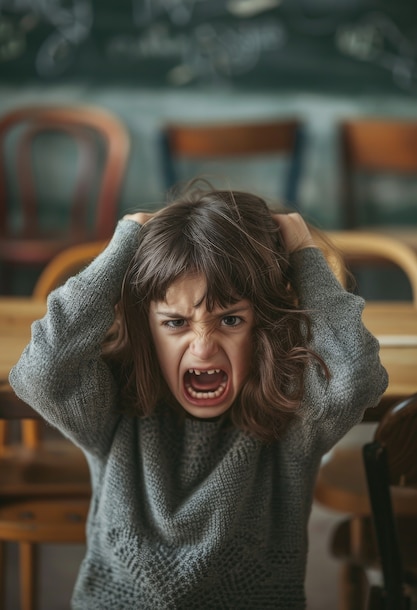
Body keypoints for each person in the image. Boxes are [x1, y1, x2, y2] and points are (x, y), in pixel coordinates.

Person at [9, 183, 388, 610]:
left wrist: (302, 251)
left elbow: (355, 375)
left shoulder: (293, 416)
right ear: (145, 326)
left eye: (230, 319)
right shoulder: (110, 404)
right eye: (174, 323)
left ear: (263, 325)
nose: (204, 347)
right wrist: (125, 243)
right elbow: (42, 372)